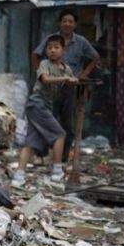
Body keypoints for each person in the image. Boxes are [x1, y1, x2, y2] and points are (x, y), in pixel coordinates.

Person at [31, 8, 99, 161]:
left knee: (68, 125)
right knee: (48, 122)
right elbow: (35, 54)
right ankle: (43, 155)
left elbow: (95, 58)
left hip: (69, 90)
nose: (67, 24)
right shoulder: (51, 39)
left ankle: (61, 159)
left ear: (75, 24)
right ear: (59, 23)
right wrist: (40, 73)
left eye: (70, 22)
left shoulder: (81, 42)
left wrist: (84, 74)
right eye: (64, 21)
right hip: (49, 90)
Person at [12, 35, 78, 187]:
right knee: (60, 135)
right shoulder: (44, 64)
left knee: (31, 142)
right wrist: (65, 79)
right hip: (37, 104)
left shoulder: (66, 69)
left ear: (63, 49)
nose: (52, 51)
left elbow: (67, 88)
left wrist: (72, 83)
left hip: (44, 107)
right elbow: (46, 80)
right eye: (49, 48)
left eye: (56, 47)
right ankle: (56, 171)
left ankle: (19, 176)